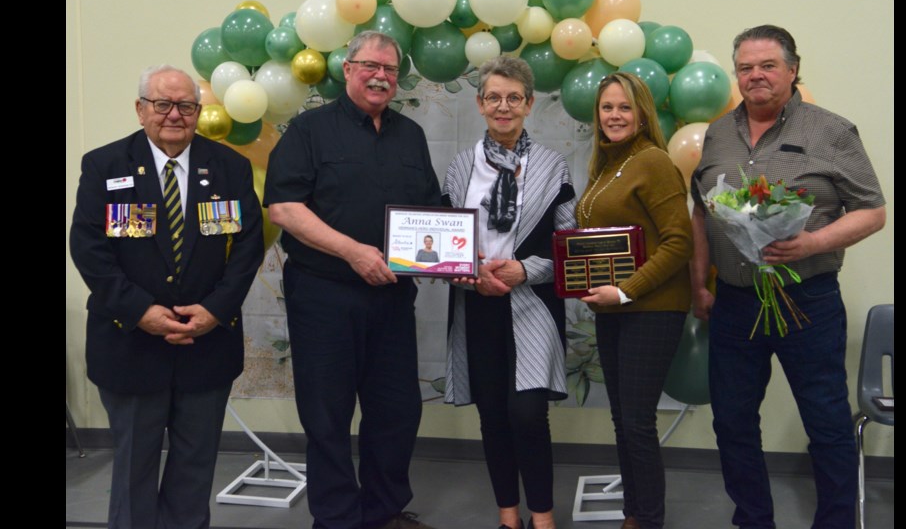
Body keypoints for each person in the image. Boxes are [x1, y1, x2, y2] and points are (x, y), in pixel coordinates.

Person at [691, 25, 887, 529]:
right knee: (732, 423)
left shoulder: (830, 131)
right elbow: (701, 212)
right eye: (745, 68)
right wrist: (700, 282)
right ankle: (753, 520)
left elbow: (872, 211)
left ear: (793, 70)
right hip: (734, 303)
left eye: (767, 66)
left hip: (809, 302)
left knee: (825, 424)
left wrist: (812, 243)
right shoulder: (717, 132)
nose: (755, 76)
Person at [69, 65, 264, 529]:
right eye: (162, 104)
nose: (174, 115)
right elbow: (89, 250)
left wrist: (216, 310)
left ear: (199, 112)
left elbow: (248, 248)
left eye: (186, 106)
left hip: (207, 343)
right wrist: (141, 312)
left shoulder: (229, 168)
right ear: (141, 110)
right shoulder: (105, 166)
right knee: (134, 464)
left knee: (195, 466)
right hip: (130, 343)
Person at [263, 31, 441, 529]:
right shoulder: (308, 130)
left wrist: (460, 255)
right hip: (323, 297)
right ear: (346, 68)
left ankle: (384, 511)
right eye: (370, 66)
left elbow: (429, 210)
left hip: (390, 300)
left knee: (397, 412)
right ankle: (338, 519)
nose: (381, 76)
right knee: (327, 417)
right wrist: (352, 251)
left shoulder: (411, 135)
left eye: (389, 69)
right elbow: (283, 208)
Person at [443, 56, 575, 529]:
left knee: (527, 413)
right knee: (493, 415)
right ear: (480, 104)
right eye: (494, 97)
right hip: (476, 305)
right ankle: (508, 516)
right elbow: (443, 245)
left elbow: (567, 246)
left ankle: (543, 517)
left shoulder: (552, 167)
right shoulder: (461, 169)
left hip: (532, 305)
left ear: (529, 104)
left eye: (513, 98)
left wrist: (524, 270)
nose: (503, 107)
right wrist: (462, 272)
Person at [574, 72, 693, 529]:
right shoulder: (608, 165)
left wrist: (625, 290)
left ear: (642, 114)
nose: (615, 115)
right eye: (607, 107)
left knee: (638, 422)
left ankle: (648, 519)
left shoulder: (654, 161)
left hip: (651, 308)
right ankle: (634, 513)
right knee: (623, 420)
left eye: (625, 107)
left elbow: (679, 242)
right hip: (613, 308)